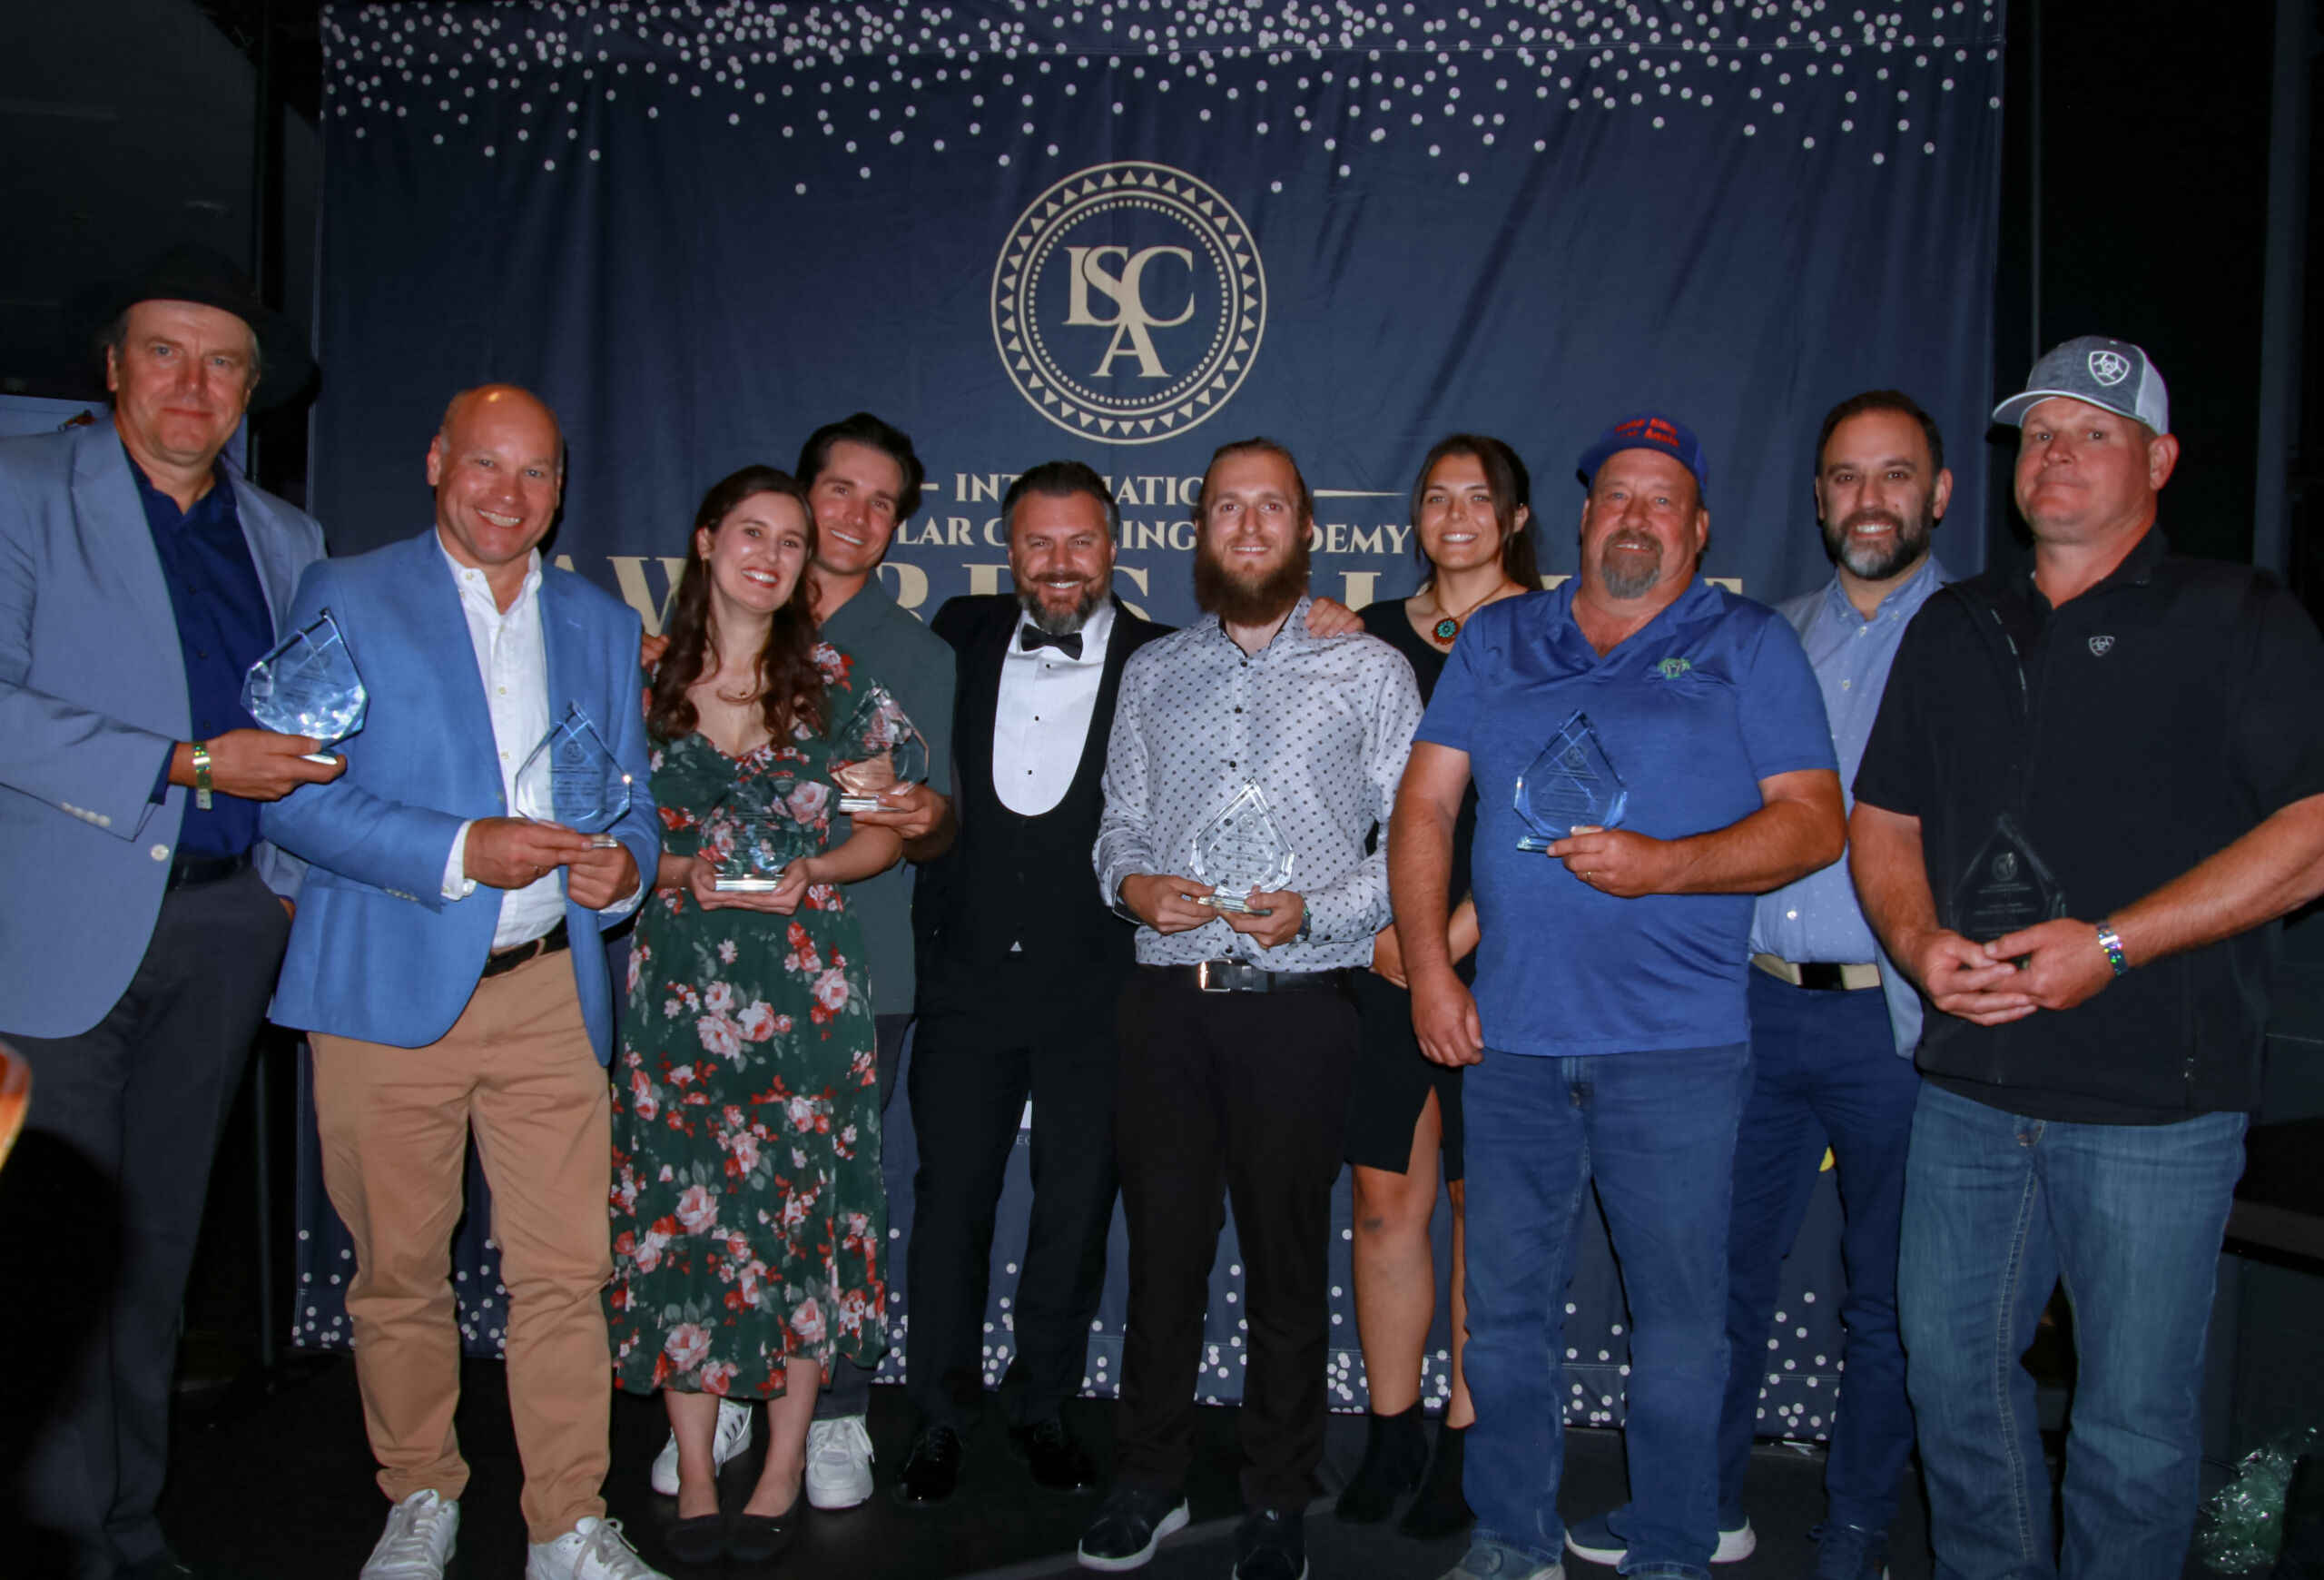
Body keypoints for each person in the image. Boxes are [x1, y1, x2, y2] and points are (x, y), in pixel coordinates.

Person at [1851, 339, 2324, 1580]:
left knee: (2130, 1430)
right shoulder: (1954, 623)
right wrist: (1915, 944)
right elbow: (1883, 818)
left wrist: (2113, 946)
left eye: (2095, 433)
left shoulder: (2242, 615)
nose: (2058, 455)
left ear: (2159, 460)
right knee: (1952, 1393)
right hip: (1966, 1089)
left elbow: (2312, 834)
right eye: (2040, 435)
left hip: (2154, 1108)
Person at [1393, 413, 1846, 1580]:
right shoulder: (1499, 639)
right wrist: (1434, 973)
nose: (1634, 518)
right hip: (1513, 1043)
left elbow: (1813, 822)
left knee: (1683, 1326)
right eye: (1616, 497)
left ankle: (1673, 1546)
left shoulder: (1745, 643)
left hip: (1678, 1049)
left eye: (1661, 501)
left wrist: (1665, 864)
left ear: (1696, 528)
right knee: (1502, 1318)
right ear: (1582, 516)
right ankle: (1511, 1535)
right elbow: (1426, 810)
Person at [262, 386, 669, 1580]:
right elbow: (291, 790)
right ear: (437, 460)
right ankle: (420, 1491)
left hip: (555, 990)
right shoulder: (345, 592)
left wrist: (624, 870)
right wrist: (459, 851)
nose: (510, 494)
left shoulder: (597, 620)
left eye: (536, 474)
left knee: (566, 1275)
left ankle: (564, 1520)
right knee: (398, 1271)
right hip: (387, 988)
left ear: (561, 488)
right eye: (486, 465)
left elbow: (635, 804)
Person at [1571, 392, 1952, 1580]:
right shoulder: (1766, 633)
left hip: (1901, 1023)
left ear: (1938, 494)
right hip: (1751, 1010)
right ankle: (1703, 1506)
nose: (1869, 499)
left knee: (1891, 1301)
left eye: (1895, 476)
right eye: (1846, 477)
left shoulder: (1985, 636)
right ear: (1818, 497)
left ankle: (1851, 1533)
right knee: (1712, 1283)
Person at [0, 242, 335, 1580]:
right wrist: (185, 764)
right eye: (165, 352)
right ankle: (59, 1531)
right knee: (47, 1263)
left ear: (251, 388)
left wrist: (291, 888)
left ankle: (129, 1519)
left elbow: (316, 730)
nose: (192, 385)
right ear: (114, 364)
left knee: (156, 1253)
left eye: (222, 362)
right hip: (59, 934)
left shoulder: (286, 537)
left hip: (223, 928)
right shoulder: (23, 491)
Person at [1084, 438, 1424, 1580]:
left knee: (1286, 1268)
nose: (1246, 524)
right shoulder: (1153, 672)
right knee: (1165, 1257)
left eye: (1269, 506)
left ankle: (1278, 1499)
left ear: (1305, 530)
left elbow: (1408, 850)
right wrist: (1132, 885)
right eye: (1225, 506)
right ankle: (1149, 1481)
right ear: (1198, 531)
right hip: (1164, 1007)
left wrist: (1317, 913)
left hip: (1298, 1005)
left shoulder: (1369, 671)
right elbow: (1116, 830)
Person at [605, 466, 901, 1565]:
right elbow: (612, 855)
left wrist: (816, 865)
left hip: (807, 996)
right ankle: (691, 1472)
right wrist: (678, 873)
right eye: (751, 532)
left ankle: (778, 1469)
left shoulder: (839, 685)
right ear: (705, 542)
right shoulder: (635, 686)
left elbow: (892, 833)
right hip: (679, 997)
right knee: (680, 1222)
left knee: (804, 1230)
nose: (771, 555)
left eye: (791, 539)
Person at [895, 461, 1173, 1503]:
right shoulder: (956, 633)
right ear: (1009, 550)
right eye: (1037, 544)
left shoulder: (1160, 656)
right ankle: (936, 1412)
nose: (1059, 566)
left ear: (1113, 546)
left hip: (1096, 992)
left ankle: (1043, 1402)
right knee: (949, 1203)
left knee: (1073, 1209)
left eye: (1080, 543)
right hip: (964, 982)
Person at [1335, 435, 1540, 1540]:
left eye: (1478, 498)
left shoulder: (1551, 632)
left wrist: (1444, 943)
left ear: (1512, 519)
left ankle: (1469, 1437)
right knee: (1383, 1204)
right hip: (1375, 956)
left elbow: (1553, 808)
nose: (1454, 513)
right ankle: (1390, 1427)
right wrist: (1390, 941)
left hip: (1499, 955)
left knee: (1478, 1205)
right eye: (1435, 496)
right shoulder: (1361, 635)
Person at [788, 412, 958, 1510]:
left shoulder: (919, 654)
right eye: (838, 490)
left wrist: (922, 812)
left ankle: (839, 1406)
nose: (854, 515)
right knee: (731, 1192)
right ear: (803, 495)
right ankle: (734, 1392)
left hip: (865, 964)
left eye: (880, 501)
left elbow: (932, 825)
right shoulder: (727, 618)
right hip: (721, 965)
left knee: (842, 1194)